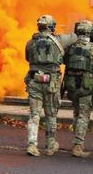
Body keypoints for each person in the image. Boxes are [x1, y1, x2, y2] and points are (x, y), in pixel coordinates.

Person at [24, 15, 77, 157]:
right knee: (51, 114)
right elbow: (74, 37)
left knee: (34, 115)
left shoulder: (30, 43)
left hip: (34, 81)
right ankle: (50, 145)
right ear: (52, 27)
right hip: (52, 83)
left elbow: (28, 58)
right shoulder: (59, 40)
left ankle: (32, 145)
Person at [63, 20, 93, 157]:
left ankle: (76, 141)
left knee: (76, 113)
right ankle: (77, 146)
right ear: (91, 33)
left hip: (71, 85)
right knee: (83, 116)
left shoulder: (69, 47)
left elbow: (64, 62)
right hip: (86, 86)